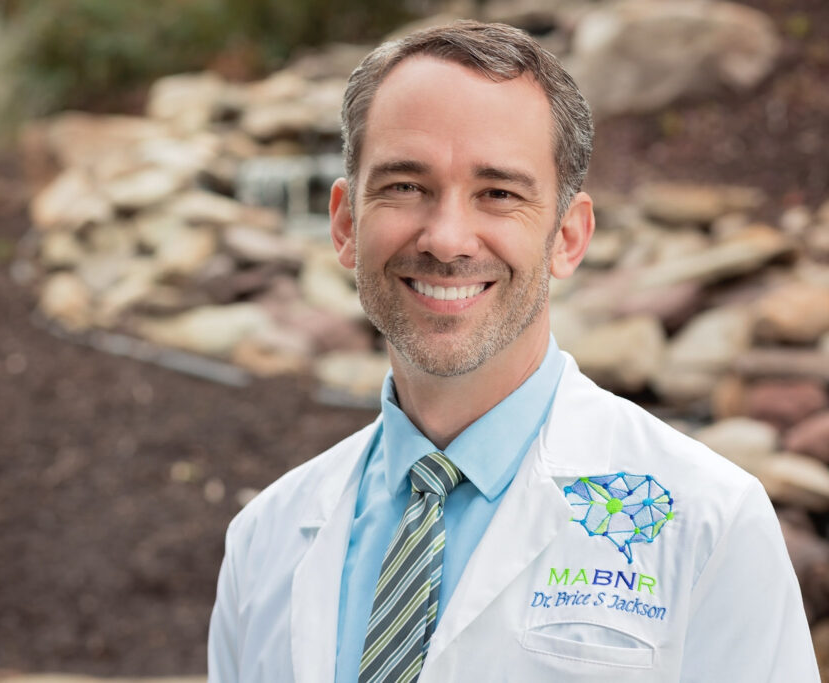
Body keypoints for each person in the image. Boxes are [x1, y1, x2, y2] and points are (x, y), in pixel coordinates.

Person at [207, 20, 818, 683]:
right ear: (347, 223)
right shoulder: (262, 541)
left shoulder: (709, 523)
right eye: (405, 186)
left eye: (498, 193)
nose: (446, 238)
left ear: (569, 236)